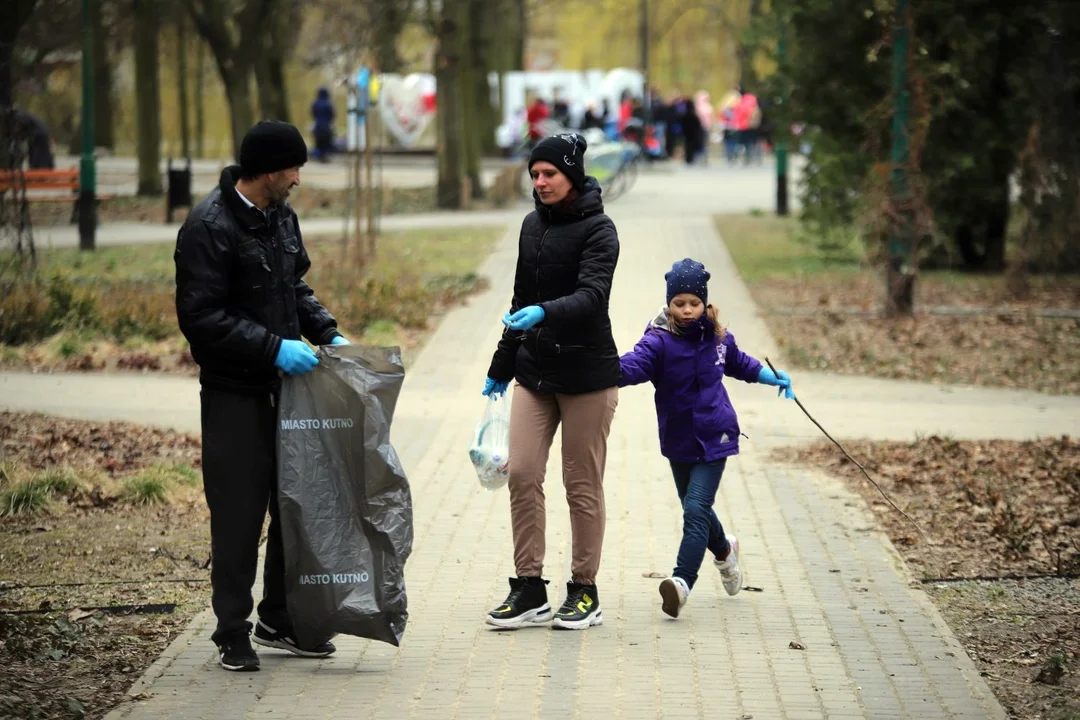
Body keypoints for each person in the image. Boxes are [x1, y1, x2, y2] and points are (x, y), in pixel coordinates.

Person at [174, 120, 349, 671]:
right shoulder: (209, 226)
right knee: (238, 514)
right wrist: (273, 347)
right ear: (269, 171)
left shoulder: (279, 216)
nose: (300, 178)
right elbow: (200, 318)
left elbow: (292, 284)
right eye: (294, 168)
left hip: (287, 392)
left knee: (292, 503)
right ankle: (232, 631)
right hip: (234, 394)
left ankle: (280, 619)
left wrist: (325, 330)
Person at [483, 132, 620, 631]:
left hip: (586, 376)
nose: (539, 182)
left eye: (549, 174)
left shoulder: (601, 230)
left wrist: (543, 312)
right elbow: (521, 298)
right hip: (534, 372)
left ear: (572, 176)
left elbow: (591, 297)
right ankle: (529, 588)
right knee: (521, 473)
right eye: (534, 174)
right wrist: (501, 365)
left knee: (580, 485)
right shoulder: (530, 226)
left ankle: (584, 590)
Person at [617, 258, 796, 619]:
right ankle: (726, 551)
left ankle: (681, 583)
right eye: (679, 303)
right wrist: (597, 370)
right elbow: (633, 365)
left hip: (717, 435)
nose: (686, 310)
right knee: (695, 509)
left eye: (693, 303)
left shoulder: (717, 337)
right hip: (679, 438)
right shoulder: (659, 341)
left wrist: (770, 376)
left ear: (704, 303)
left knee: (695, 510)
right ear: (668, 303)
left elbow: (742, 363)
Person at [310, 87, 335, 162]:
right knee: (326, 141)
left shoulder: (315, 103)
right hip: (326, 126)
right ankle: (324, 156)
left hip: (317, 125)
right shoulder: (328, 103)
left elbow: (313, 113)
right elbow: (332, 114)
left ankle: (318, 155)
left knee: (318, 141)